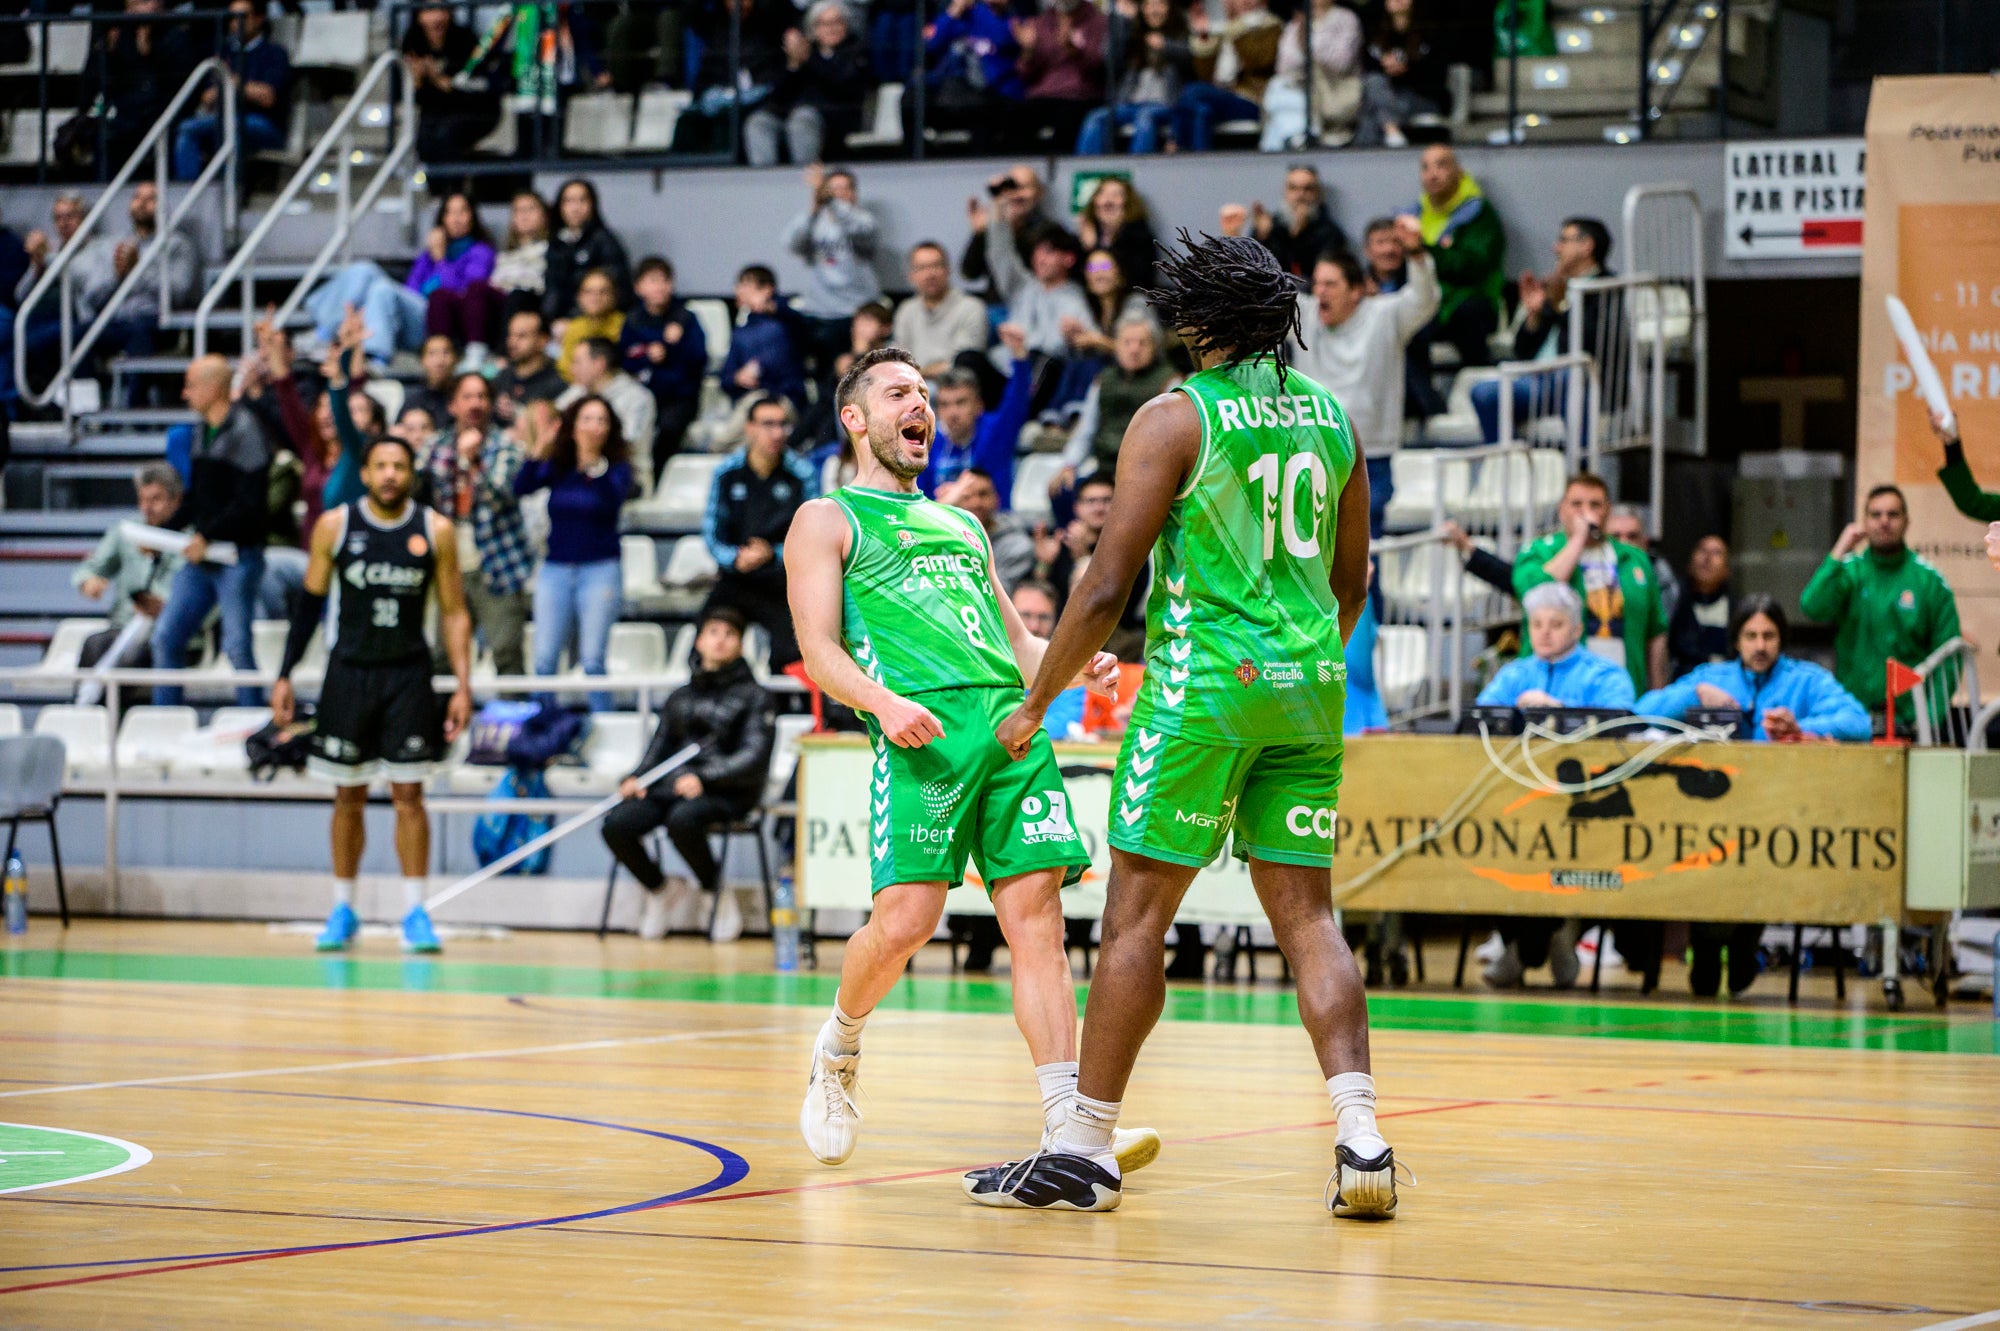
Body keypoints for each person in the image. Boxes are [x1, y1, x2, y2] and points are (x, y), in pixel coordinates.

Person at [966, 231, 1395, 1218]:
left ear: (1199, 322)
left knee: (1132, 920)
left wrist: (1037, 701)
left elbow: (1108, 580)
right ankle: (1360, 1135)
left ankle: (1081, 1147)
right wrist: (1298, 659)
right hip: (1307, 684)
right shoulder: (1333, 420)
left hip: (1202, 686)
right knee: (1309, 920)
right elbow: (1350, 581)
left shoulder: (1173, 418)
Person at [784, 345, 1158, 1179]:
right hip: (922, 735)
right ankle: (839, 1044)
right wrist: (882, 703)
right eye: (898, 393)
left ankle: (1069, 1123)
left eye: (924, 392)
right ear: (856, 418)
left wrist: (1071, 667)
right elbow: (817, 649)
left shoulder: (962, 521)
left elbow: (1019, 642)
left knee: (1040, 923)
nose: (920, 404)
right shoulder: (827, 518)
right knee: (908, 922)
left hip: (1010, 732)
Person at [271, 435, 474, 956]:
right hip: (348, 673)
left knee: (410, 796)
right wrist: (286, 672)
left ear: (411, 473)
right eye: (380, 465)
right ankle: (343, 908)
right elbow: (310, 603)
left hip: (408, 675)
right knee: (347, 795)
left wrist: (462, 685)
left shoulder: (436, 530)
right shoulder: (335, 526)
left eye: (399, 466)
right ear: (365, 474)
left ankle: (415, 911)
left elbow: (454, 611)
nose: (389, 474)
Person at [1637, 596, 1869, 997]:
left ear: (1782, 639)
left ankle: (1743, 941)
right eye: (1750, 636)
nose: (1760, 645)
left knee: (1756, 849)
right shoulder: (1711, 676)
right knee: (1700, 847)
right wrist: (1695, 694)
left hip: (1778, 809)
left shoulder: (1806, 679)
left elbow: (1858, 723)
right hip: (1707, 811)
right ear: (1736, 640)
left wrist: (1801, 726)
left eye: (1769, 636)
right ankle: (1709, 946)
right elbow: (1641, 711)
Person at [604, 607, 775, 944]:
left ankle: (714, 889)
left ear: (740, 645)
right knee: (617, 824)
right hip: (675, 787)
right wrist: (636, 777)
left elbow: (753, 757)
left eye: (730, 635)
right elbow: (659, 747)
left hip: (729, 792)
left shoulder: (757, 697)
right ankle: (660, 889)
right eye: (713, 632)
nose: (720, 641)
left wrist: (706, 779)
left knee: (682, 821)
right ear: (699, 641)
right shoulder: (680, 697)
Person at [1286, 218, 1437, 536]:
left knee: (1366, 560)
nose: (1319, 292)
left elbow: (1424, 299)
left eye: (1330, 285)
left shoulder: (1384, 316)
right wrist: (1236, 240)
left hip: (1370, 457)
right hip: (1310, 456)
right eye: (1316, 284)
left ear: (1356, 291)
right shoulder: (1306, 315)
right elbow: (1258, 303)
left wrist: (1417, 254)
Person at [151, 357, 271, 709]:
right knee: (166, 637)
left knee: (236, 644)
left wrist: (210, 535)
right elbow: (197, 498)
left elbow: (250, 505)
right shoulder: (203, 430)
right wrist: (161, 532)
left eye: (190, 385)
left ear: (214, 387)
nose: (185, 394)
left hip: (237, 556)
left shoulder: (247, 429)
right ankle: (165, 719)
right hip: (203, 557)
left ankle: (253, 720)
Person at [1799, 483, 1960, 734]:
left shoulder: (1929, 581)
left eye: (1893, 514)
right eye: (1876, 515)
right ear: (1864, 522)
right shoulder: (1850, 571)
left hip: (1909, 722)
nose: (1884, 522)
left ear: (1906, 521)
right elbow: (1812, 607)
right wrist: (1840, 550)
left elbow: (1949, 658)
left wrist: (1927, 718)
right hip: (1852, 717)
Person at [515, 396, 632, 711]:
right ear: (573, 425)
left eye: (602, 420)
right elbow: (521, 486)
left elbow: (610, 500)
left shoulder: (618, 469)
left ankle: (607, 725)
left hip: (600, 569)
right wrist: (541, 447)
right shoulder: (558, 466)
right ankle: (542, 728)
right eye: (587, 419)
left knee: (593, 659)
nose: (595, 427)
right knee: (544, 659)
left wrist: (594, 461)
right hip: (555, 569)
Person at [420, 374, 534, 678]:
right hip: (449, 564)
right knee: (443, 655)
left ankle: (515, 723)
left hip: (497, 563)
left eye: (482, 397)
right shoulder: (435, 446)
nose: (476, 404)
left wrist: (472, 461)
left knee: (506, 651)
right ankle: (441, 722)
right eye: (468, 397)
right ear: (453, 404)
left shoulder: (506, 446)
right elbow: (419, 493)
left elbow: (502, 495)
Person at [1513, 473, 1668, 695]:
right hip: (1553, 692)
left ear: (1607, 510)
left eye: (1595, 504)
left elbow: (1656, 631)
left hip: (1621, 689)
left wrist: (1657, 694)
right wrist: (1578, 539)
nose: (1585, 511)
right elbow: (1537, 594)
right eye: (1576, 504)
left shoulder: (1634, 559)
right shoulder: (1539, 551)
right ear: (1561, 509)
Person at [1469, 216, 1611, 444]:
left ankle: (1581, 469)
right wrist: (1534, 315)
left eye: (1564, 240)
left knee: (1569, 375)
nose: (1556, 248)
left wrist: (1557, 308)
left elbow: (1595, 341)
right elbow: (1521, 351)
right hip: (1541, 381)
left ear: (1587, 246)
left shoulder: (1608, 288)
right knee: (1484, 394)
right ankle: (1510, 464)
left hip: (1584, 381)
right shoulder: (1556, 287)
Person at [307, 195, 493, 366]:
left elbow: (463, 296)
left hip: (438, 321)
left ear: (472, 217)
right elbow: (411, 288)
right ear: (442, 218)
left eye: (462, 212)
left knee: (382, 290)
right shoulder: (429, 253)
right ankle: (323, 332)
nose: (456, 218)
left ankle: (376, 358)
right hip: (413, 312)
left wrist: (441, 260)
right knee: (365, 270)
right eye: (450, 212)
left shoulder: (480, 251)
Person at [704, 394, 817, 671]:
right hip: (736, 578)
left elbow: (813, 539)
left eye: (783, 425)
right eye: (768, 424)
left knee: (792, 652)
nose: (777, 433)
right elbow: (711, 532)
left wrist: (773, 554)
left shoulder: (801, 474)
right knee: (707, 639)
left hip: (782, 582)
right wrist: (734, 557)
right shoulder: (726, 473)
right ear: (750, 428)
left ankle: (786, 710)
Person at [73, 464, 185, 711]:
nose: (147, 507)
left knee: (137, 655)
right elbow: (90, 568)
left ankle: (111, 728)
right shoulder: (127, 531)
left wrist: (168, 609)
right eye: (142, 499)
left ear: (177, 500)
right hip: (125, 629)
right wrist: (89, 581)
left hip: (169, 633)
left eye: (156, 499)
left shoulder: (191, 540)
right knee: (94, 645)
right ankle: (84, 719)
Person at [1410, 145, 1506, 401]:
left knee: (1469, 316)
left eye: (1441, 165)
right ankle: (1425, 406)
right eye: (1426, 167)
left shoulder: (1479, 215)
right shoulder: (1413, 214)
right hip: (1428, 303)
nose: (1433, 174)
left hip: (1469, 301)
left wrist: (1424, 250)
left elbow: (1473, 267)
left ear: (1459, 172)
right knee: (1403, 327)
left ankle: (1483, 398)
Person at [72, 183, 199, 367]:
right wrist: (117, 276)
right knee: (75, 335)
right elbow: (93, 296)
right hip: (115, 321)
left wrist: (138, 270)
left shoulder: (178, 245)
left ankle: (136, 397)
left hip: (155, 321)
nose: (142, 203)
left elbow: (179, 292)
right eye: (137, 197)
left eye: (150, 199)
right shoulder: (113, 245)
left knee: (138, 334)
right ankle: (85, 394)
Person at [783, 165, 883, 388]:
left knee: (861, 381)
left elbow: (862, 232)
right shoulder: (814, 221)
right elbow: (791, 243)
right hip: (820, 314)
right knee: (826, 383)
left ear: (853, 193)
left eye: (842, 189)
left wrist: (831, 202)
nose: (836, 194)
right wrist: (813, 209)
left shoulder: (864, 220)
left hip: (856, 314)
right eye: (832, 189)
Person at [1055, 317, 1178, 495]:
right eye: (1127, 342)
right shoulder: (1103, 379)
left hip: (1148, 473)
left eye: (1142, 343)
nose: (1134, 349)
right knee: (1062, 491)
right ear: (1116, 346)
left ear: (1155, 347)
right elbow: (1086, 428)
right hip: (1105, 468)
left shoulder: (1169, 381)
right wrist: (1069, 465)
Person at [172, 0, 290, 180]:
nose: (237, 23)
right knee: (186, 128)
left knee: (232, 126)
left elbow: (267, 97)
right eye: (232, 18)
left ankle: (229, 192)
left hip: (264, 123)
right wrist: (233, 88)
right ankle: (189, 191)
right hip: (222, 118)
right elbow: (207, 97)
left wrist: (232, 82)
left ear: (259, 19)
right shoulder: (224, 53)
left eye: (243, 17)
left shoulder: (274, 53)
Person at [1476, 582, 1637, 710]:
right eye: (1537, 625)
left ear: (1577, 630)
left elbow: (1620, 722)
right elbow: (1479, 718)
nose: (1545, 632)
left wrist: (1558, 709)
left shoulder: (1604, 675)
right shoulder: (1513, 675)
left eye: (1556, 624)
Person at [619, 257, 707, 487]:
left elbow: (699, 359)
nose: (659, 287)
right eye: (652, 280)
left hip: (679, 396)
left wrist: (674, 346)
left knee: (668, 429)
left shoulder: (686, 318)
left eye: (665, 280)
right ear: (638, 287)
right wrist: (649, 353)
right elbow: (625, 359)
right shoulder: (633, 321)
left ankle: (659, 484)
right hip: (643, 395)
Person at [749, 0, 870, 166]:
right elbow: (778, 97)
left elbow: (843, 86)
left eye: (837, 22)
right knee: (759, 122)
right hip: (795, 115)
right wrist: (793, 65)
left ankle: (804, 176)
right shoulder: (804, 52)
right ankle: (765, 179)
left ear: (846, 25)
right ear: (813, 28)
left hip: (837, 116)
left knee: (802, 118)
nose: (831, 28)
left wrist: (808, 59)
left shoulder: (855, 50)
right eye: (824, 23)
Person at [79, 0, 197, 168]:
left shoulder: (176, 37)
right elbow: (99, 82)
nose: (139, 9)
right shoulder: (118, 36)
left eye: (145, 2)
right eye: (133, 4)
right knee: (104, 132)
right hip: (128, 112)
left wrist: (149, 56)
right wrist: (108, 54)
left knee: (175, 130)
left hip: (165, 110)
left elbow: (178, 85)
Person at [1077, 0, 1193, 157]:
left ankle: (1137, 172)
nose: (1154, 10)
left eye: (1160, 4)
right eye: (1148, 5)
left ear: (1170, 8)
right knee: (1095, 118)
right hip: (1131, 103)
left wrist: (1166, 45)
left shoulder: (1182, 33)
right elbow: (1110, 59)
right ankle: (1089, 175)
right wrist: (1124, 23)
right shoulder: (1133, 36)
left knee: (1144, 119)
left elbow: (1192, 57)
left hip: (1165, 104)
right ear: (1141, 9)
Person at [911, 0, 1022, 155]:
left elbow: (1004, 39)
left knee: (983, 109)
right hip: (953, 89)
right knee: (911, 99)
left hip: (992, 91)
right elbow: (931, 44)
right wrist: (953, 12)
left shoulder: (1013, 18)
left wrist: (988, 13)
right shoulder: (963, 17)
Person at [918, 357, 1035, 503]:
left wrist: (1020, 358)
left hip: (995, 522)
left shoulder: (996, 432)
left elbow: (1017, 400)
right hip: (943, 521)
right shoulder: (927, 444)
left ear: (978, 405)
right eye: (944, 405)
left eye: (960, 403)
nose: (952, 413)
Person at [982, 207, 1092, 363]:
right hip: (1007, 364)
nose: (1040, 259)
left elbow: (1091, 342)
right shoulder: (1022, 286)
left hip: (1043, 369)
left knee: (1042, 360)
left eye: (1048, 252)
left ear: (1069, 259)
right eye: (1037, 252)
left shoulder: (1075, 300)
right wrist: (998, 207)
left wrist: (1079, 337)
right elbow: (1000, 255)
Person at [1173, 0, 1283, 152]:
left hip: (1251, 99)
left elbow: (1259, 61)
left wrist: (1236, 30)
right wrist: (1205, 37)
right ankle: (1201, 165)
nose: (1245, 2)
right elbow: (1204, 75)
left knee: (1192, 90)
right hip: (1219, 97)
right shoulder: (1223, 29)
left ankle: (1176, 144)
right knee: (1201, 111)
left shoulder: (1269, 26)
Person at [400, 3, 501, 164]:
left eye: (442, 10)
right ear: (419, 16)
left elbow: (468, 90)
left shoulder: (464, 39)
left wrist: (436, 78)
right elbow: (420, 97)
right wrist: (418, 80)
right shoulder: (413, 41)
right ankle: (437, 189)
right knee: (425, 137)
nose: (437, 17)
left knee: (446, 134)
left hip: (473, 109)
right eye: (429, 11)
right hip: (437, 112)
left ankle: (455, 188)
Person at [557, 338, 657, 497]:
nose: (572, 369)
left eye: (577, 362)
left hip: (628, 479)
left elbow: (627, 442)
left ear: (599, 364)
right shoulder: (578, 392)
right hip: (580, 474)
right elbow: (553, 422)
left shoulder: (637, 397)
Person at [1258, 0, 1363, 152]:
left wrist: (1308, 41)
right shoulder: (1298, 23)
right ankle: (1296, 137)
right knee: (1277, 85)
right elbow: (1284, 67)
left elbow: (1340, 62)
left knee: (1282, 113)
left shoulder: (1345, 19)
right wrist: (1302, 32)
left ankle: (1295, 139)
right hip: (1302, 91)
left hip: (1334, 92)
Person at [1220, 165, 1350, 281]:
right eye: (1293, 188)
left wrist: (1299, 235)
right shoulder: (1270, 226)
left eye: (1307, 189)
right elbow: (1254, 270)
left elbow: (1316, 277)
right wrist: (1262, 236)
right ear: (1285, 192)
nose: (1300, 195)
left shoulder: (1331, 234)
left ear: (1318, 194)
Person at [1012, 0, 1108, 152]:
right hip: (1043, 95)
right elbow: (1025, 75)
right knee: (1015, 119)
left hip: (1081, 95)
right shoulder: (1041, 22)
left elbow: (1099, 69)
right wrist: (1028, 51)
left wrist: (1075, 52)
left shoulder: (1098, 21)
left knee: (1066, 120)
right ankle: (1024, 172)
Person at [721, 265, 809, 418]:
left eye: (747, 285)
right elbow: (725, 378)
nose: (739, 290)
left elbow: (803, 329)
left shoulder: (785, 322)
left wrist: (773, 306)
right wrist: (737, 377)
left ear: (767, 289)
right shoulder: (741, 332)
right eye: (739, 285)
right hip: (748, 401)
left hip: (783, 398)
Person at [543, 179, 632, 329]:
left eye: (582, 200)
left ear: (593, 204)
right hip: (559, 323)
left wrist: (573, 321)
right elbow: (553, 290)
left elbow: (615, 290)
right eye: (569, 201)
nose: (575, 208)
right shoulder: (555, 244)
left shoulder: (605, 241)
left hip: (595, 320)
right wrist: (547, 323)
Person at [1357, 0, 1447, 147]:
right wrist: (1386, 68)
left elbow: (1437, 77)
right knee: (1374, 84)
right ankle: (1392, 132)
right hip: (1388, 96)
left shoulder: (1429, 31)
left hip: (1421, 98)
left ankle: (1378, 143)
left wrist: (1406, 69)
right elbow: (1367, 71)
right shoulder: (1375, 33)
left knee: (1371, 113)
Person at [893, 241, 989, 380]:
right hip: (913, 386)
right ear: (911, 275)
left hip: (955, 387)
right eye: (921, 268)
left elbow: (964, 364)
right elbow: (899, 361)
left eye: (936, 266)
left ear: (948, 269)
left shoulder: (971, 307)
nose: (930, 274)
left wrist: (920, 373)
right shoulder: (906, 310)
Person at [939, 466, 1036, 588]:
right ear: (954, 501)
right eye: (966, 496)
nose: (976, 503)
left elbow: (995, 595)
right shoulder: (943, 538)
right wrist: (940, 511)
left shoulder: (1017, 545)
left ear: (997, 499)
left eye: (983, 494)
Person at [1072, 177, 1160, 294]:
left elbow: (1140, 280)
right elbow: (1076, 280)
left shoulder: (1140, 237)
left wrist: (1095, 248)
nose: (1108, 200)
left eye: (1116, 195)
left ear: (1128, 204)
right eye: (1102, 194)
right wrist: (1084, 247)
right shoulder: (1085, 235)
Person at [1668, 534, 1732, 678]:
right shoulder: (1674, 604)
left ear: (1727, 570)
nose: (1707, 558)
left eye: (1717, 553)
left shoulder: (1736, 609)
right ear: (1690, 564)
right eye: (1702, 550)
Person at [491, 309, 567, 427]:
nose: (512, 342)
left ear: (543, 340)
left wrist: (519, 414)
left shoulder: (558, 382)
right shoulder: (502, 376)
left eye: (522, 336)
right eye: (511, 335)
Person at [1604, 503, 1677, 623]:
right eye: (1616, 536)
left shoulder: (1660, 576)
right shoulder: (1590, 568)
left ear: (1645, 542)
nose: (1624, 543)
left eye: (1632, 536)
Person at [490, 191, 552, 328]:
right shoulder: (504, 255)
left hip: (530, 304)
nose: (524, 215)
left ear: (544, 215)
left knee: (517, 295)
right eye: (518, 210)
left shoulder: (553, 249)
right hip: (502, 304)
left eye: (531, 209)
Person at [556, 269, 625, 380]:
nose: (595, 298)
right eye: (588, 292)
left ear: (613, 296)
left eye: (603, 292)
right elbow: (565, 368)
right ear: (579, 297)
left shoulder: (625, 325)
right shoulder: (575, 327)